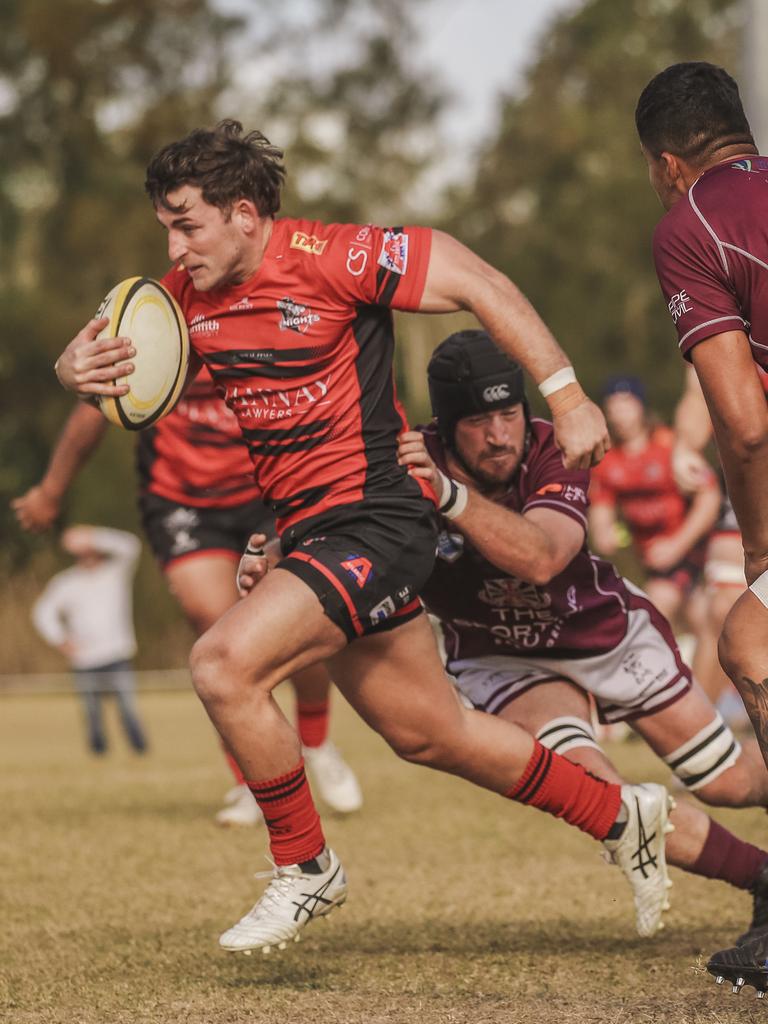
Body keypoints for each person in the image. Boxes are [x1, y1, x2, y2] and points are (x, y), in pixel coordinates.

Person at [53, 119, 664, 958]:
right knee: (429, 734)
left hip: (378, 517)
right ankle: (622, 813)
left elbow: (479, 278)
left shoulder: (334, 256)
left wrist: (566, 395)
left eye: (185, 222)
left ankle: (305, 867)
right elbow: (99, 366)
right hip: (307, 530)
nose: (174, 242)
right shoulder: (183, 299)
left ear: (242, 213)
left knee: (222, 665)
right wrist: (72, 370)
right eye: (166, 224)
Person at [393, 329, 768, 942]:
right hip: (503, 658)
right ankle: (763, 878)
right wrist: (274, 555)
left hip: (606, 636)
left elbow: (544, 556)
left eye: (508, 413)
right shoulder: (405, 463)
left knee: (727, 781)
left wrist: (452, 499)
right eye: (478, 421)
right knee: (607, 803)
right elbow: (346, 532)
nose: (498, 435)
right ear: (445, 425)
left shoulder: (552, 445)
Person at [13, 376, 362, 824]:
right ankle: (249, 782)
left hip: (270, 487)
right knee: (215, 629)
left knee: (297, 619)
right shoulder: (150, 316)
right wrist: (51, 490)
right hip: (182, 498)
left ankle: (315, 742)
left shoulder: (265, 312)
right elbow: (93, 406)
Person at [636, 60, 768, 994]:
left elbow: (744, 422)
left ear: (669, 162)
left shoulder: (692, 223)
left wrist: (760, 544)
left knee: (751, 644)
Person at [588, 375, 722, 705]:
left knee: (656, 611)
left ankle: (653, 702)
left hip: (692, 550)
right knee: (708, 627)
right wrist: (603, 533)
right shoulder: (608, 460)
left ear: (641, 406)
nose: (618, 413)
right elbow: (601, 514)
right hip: (654, 559)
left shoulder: (668, 445)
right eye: (613, 406)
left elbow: (710, 496)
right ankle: (700, 705)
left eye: (626, 404)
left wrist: (677, 543)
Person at [32, 525, 147, 755]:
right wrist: (60, 639)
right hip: (84, 659)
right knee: (92, 713)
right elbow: (42, 612)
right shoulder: (66, 582)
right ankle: (99, 754)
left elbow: (131, 546)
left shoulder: (115, 572)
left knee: (127, 709)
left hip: (117, 653)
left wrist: (93, 536)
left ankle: (139, 751)